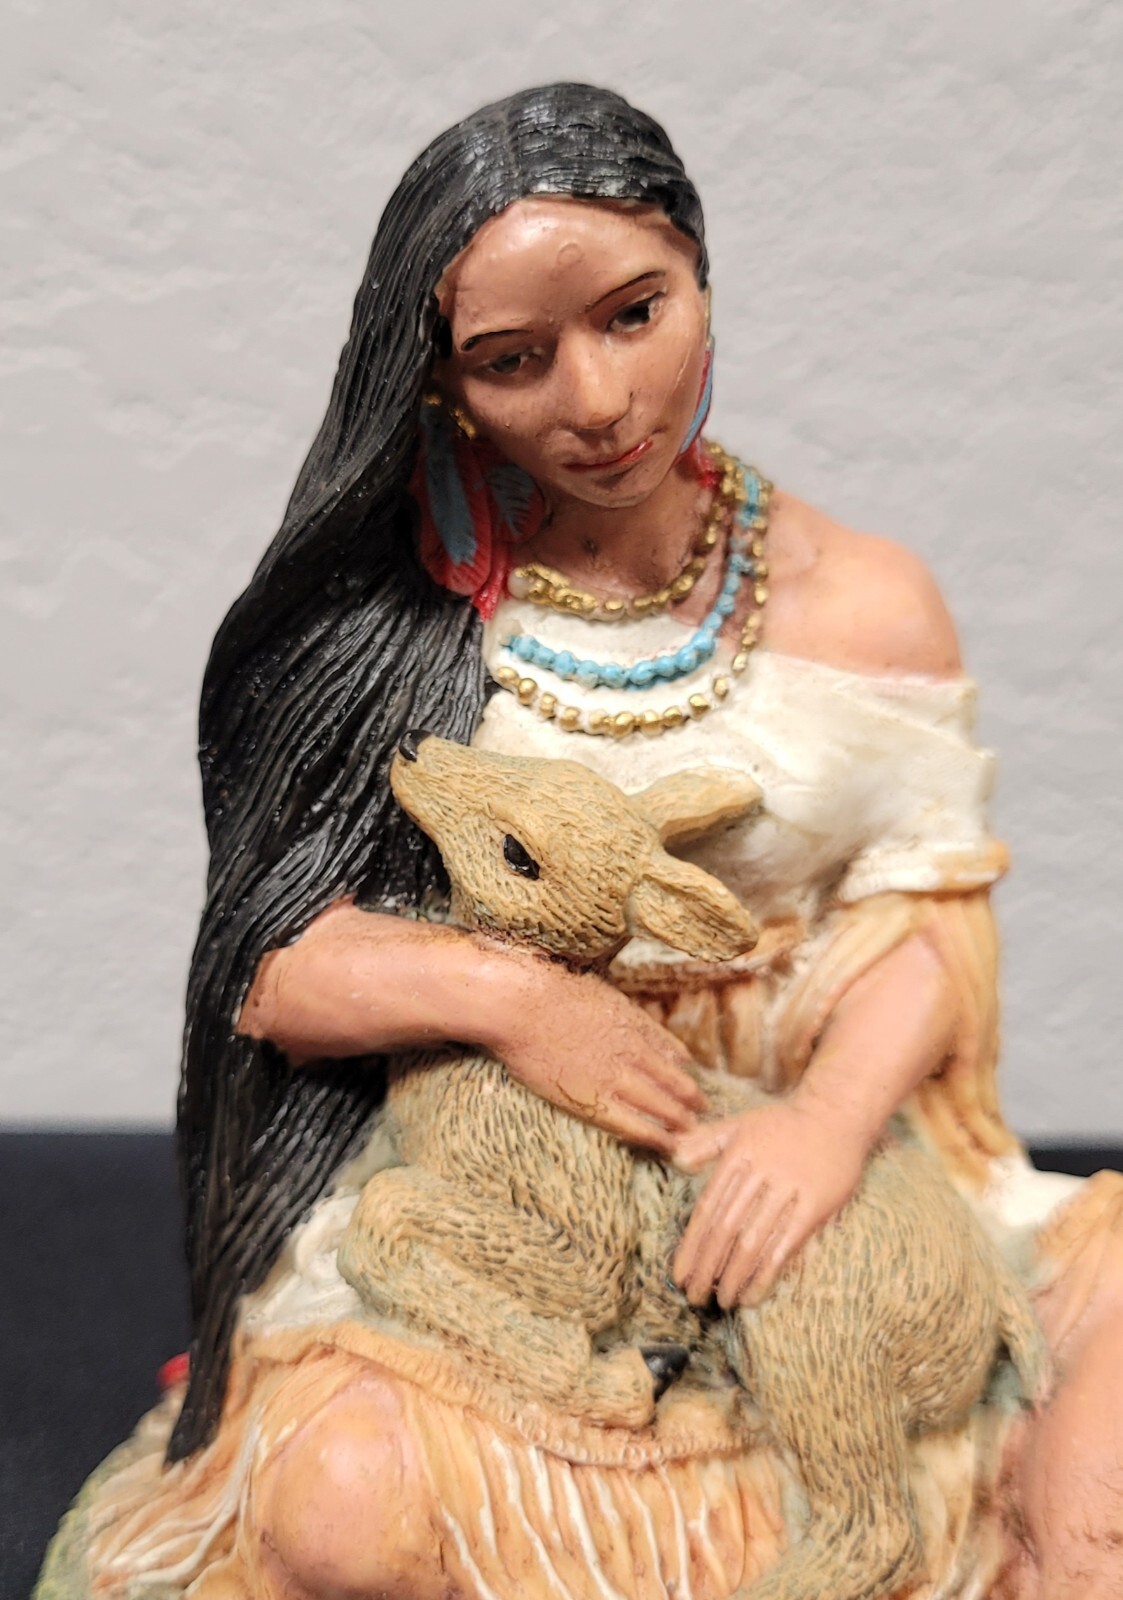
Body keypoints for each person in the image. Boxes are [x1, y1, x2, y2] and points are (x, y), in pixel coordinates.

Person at [39, 83, 1123, 1600]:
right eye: (513, 360)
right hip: (490, 1158)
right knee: (341, 1511)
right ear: (440, 385)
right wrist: (515, 1000)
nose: (599, 400)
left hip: (817, 1143)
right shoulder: (383, 631)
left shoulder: (864, 601)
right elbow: (274, 966)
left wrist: (822, 1129)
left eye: (634, 315)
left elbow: (924, 920)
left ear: (701, 278)